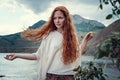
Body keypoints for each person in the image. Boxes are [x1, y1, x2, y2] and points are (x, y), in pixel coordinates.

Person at [4, 6, 93, 80]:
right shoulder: (49, 35)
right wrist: (17, 55)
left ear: (66, 19)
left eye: (60, 18)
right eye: (55, 18)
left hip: (69, 76)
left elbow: (77, 54)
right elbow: (37, 55)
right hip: (52, 76)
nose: (57, 21)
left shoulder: (72, 36)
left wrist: (85, 40)